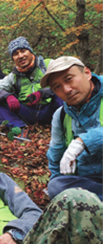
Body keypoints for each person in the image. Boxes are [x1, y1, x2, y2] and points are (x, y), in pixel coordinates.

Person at [41, 56, 102, 200]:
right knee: (56, 187)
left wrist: (82, 142)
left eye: (69, 79)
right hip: (89, 183)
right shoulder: (60, 116)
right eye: (57, 87)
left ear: (87, 73)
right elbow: (56, 157)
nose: (67, 89)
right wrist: (57, 190)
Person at [0, 37, 63, 129]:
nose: (20, 56)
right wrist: (8, 97)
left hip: (52, 110)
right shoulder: (13, 77)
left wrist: (43, 93)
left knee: (62, 92)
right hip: (28, 113)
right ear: (13, 58)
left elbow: (65, 83)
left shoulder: (48, 65)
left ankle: (64, 123)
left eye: (23, 51)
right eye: (15, 54)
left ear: (30, 52)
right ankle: (19, 128)